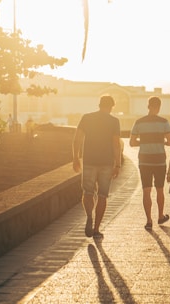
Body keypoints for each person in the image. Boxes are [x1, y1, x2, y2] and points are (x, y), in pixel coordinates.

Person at [72, 95, 122, 238]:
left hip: (89, 161)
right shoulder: (114, 121)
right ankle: (96, 229)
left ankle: (89, 216)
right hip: (106, 163)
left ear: (99, 105)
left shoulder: (87, 118)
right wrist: (117, 164)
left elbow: (77, 139)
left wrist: (75, 157)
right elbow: (116, 144)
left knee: (88, 192)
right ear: (111, 106)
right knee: (102, 196)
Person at [130, 96, 170, 230]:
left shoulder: (139, 122)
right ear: (159, 107)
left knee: (146, 190)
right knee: (160, 190)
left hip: (144, 160)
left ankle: (149, 220)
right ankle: (160, 216)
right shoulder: (164, 122)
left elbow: (131, 143)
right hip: (159, 160)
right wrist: (161, 142)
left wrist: (143, 142)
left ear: (148, 106)